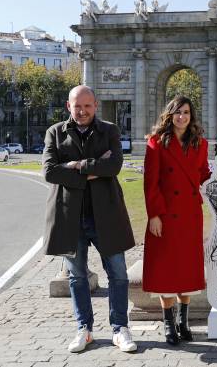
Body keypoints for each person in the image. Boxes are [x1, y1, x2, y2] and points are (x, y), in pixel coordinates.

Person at [42, 85, 137, 353]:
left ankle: (120, 329)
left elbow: (114, 165)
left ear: (95, 105)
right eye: (77, 106)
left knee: (118, 274)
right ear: (68, 106)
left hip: (106, 214)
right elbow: (49, 172)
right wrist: (95, 167)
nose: (82, 111)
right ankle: (84, 329)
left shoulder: (110, 131)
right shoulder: (55, 132)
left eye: (87, 106)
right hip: (69, 216)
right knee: (77, 276)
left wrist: (75, 166)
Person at [142, 96, 211, 345]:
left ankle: (183, 322)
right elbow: (151, 182)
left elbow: (203, 174)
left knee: (187, 269)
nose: (182, 117)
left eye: (186, 112)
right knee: (167, 270)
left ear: (192, 116)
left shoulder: (201, 143)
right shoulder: (156, 142)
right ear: (169, 115)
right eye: (178, 112)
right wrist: (154, 215)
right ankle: (169, 324)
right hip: (165, 215)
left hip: (190, 214)